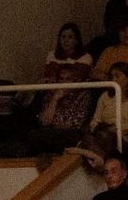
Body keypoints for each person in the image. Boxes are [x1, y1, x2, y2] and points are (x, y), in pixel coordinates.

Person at [33, 23, 96, 153]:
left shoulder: (85, 57)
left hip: (74, 96)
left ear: (77, 40)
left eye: (70, 37)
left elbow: (78, 77)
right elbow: (49, 77)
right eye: (63, 37)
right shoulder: (52, 55)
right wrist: (55, 97)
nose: (66, 40)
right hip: (52, 95)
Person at [80, 64, 128, 165]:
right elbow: (95, 121)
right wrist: (101, 128)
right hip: (105, 134)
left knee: (112, 142)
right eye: (111, 76)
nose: (113, 79)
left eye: (117, 76)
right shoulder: (105, 96)